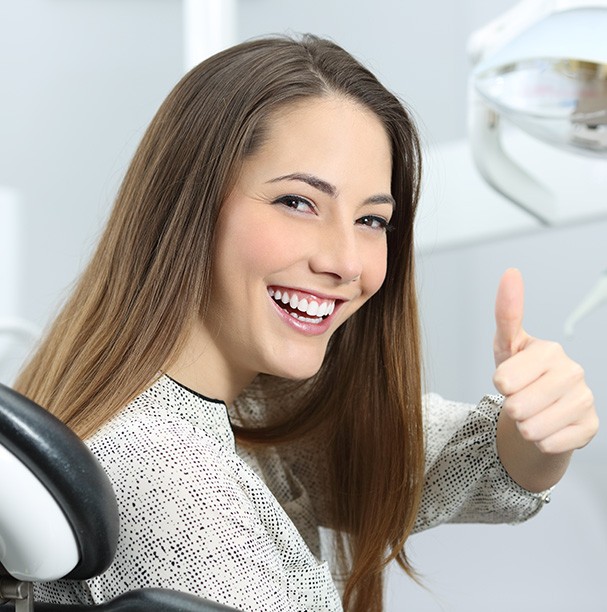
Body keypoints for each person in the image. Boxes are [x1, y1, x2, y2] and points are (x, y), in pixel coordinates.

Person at [16, 34, 598, 612]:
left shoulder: (240, 409)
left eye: (372, 219)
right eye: (297, 202)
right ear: (190, 203)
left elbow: (399, 453)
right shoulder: (169, 477)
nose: (345, 262)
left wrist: (534, 433)